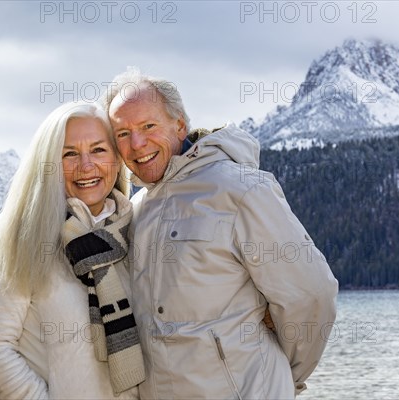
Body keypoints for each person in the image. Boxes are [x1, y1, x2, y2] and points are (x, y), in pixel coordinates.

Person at [100, 69, 339, 399]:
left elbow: (311, 293)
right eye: (123, 133)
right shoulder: (135, 210)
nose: (137, 143)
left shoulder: (240, 189)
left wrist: (284, 376)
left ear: (179, 125)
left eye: (148, 126)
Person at [0, 102, 145, 399]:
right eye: (69, 154)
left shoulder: (135, 229)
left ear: (117, 157)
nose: (86, 166)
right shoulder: (22, 234)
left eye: (99, 150)